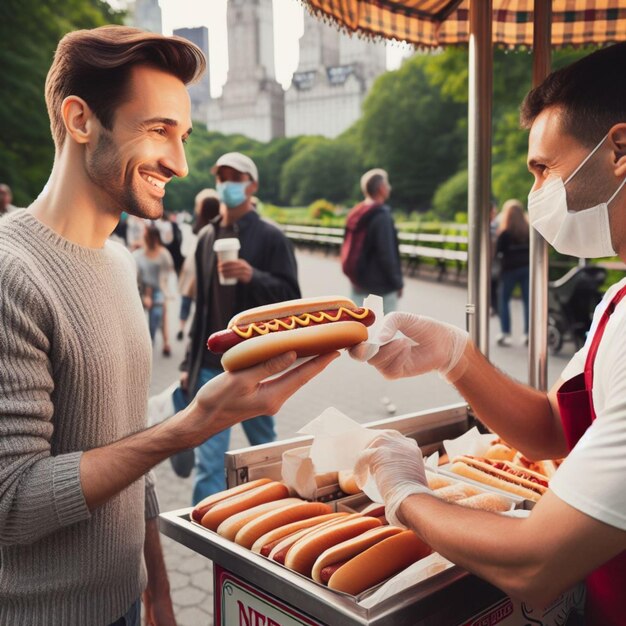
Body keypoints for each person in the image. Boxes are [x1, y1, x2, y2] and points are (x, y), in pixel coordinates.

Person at [0, 26, 337, 626]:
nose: (180, 163)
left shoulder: (119, 261)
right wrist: (194, 423)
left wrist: (156, 587)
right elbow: (13, 503)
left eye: (182, 135)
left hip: (127, 602)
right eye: (159, 130)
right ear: (80, 120)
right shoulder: (12, 274)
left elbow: (124, 451)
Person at [353, 43, 626, 626]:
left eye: (544, 168)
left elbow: (536, 563)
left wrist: (406, 496)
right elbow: (556, 428)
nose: (537, 192)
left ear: (620, 150)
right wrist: (458, 356)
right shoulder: (616, 302)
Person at [178, 152, 301, 503]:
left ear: (252, 185)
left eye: (236, 177)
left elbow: (292, 296)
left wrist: (253, 276)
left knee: (265, 452)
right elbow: (202, 306)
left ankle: (279, 510)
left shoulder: (270, 237)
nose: (227, 184)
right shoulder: (206, 236)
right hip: (209, 366)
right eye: (222, 177)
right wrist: (189, 364)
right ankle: (210, 533)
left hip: (257, 365)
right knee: (208, 462)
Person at [343, 168, 403, 312]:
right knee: (386, 328)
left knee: (360, 326)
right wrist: (397, 283)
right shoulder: (381, 216)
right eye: (387, 184)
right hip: (382, 285)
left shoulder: (355, 213)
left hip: (358, 281)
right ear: (381, 188)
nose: (389, 188)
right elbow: (386, 254)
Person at [177, 188, 221, 341]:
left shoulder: (195, 229)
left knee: (186, 300)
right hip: (208, 268)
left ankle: (182, 326)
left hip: (191, 267)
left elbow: (185, 249)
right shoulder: (218, 230)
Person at [134, 222, 175, 355]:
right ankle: (142, 342)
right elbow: (136, 277)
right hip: (142, 288)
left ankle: (164, 342)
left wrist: (161, 294)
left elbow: (165, 276)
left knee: (160, 314)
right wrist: (145, 294)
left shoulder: (164, 254)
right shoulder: (138, 254)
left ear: (155, 238)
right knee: (137, 316)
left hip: (158, 289)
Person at [494, 199, 530, 346]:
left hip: (509, 270)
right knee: (528, 302)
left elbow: (498, 252)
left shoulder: (505, 233)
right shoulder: (528, 231)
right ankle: (528, 333)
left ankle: (506, 333)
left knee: (504, 300)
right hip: (527, 268)